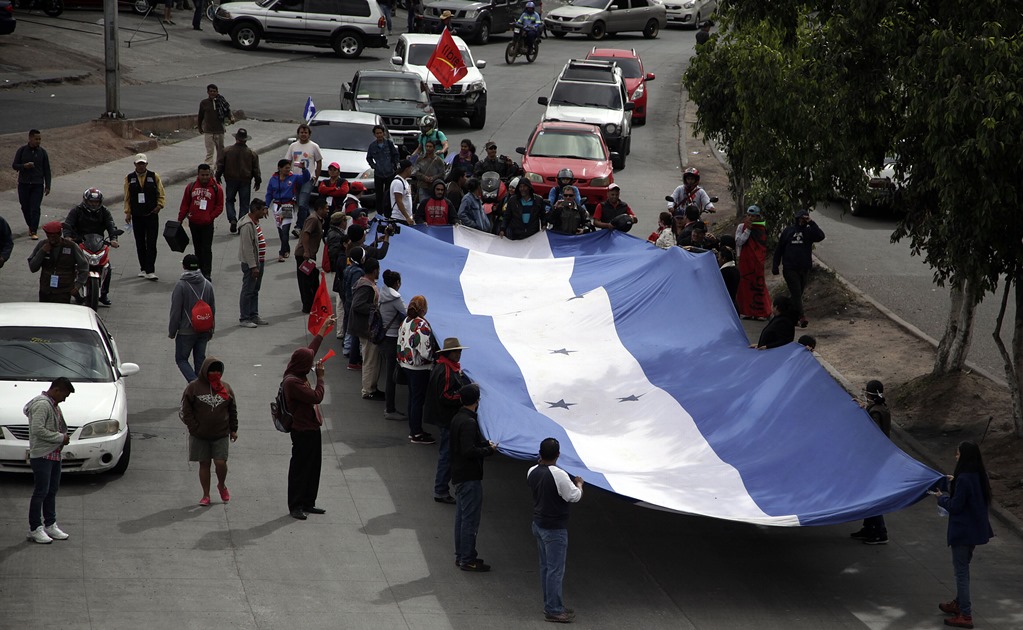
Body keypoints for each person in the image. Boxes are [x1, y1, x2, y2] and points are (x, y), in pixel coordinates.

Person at [934, 441, 994, 630]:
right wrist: (955, 481)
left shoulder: (964, 479)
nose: (956, 457)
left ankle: (965, 614)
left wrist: (941, 497)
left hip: (962, 531)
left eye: (958, 454)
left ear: (965, 457)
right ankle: (959, 603)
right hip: (976, 531)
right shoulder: (979, 475)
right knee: (964, 567)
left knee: (961, 573)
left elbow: (956, 506)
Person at [284, 315, 337, 520]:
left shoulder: (296, 370)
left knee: (314, 465)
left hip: (312, 427)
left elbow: (311, 350)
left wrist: (323, 329)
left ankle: (308, 501)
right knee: (300, 467)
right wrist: (321, 378)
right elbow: (317, 396)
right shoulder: (293, 383)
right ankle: (296, 504)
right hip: (302, 429)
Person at [527, 437, 584, 623]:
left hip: (538, 524)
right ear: (558, 455)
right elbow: (573, 497)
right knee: (555, 570)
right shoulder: (559, 475)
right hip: (554, 529)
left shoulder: (532, 471)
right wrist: (579, 484)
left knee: (546, 568)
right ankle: (553, 609)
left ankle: (552, 603)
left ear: (540, 453)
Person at [450, 383, 497, 571]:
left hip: (460, 475)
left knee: (461, 517)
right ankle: (468, 558)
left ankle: (461, 554)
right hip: (470, 476)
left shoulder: (458, 419)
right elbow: (469, 450)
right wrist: (489, 449)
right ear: (477, 401)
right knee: (470, 519)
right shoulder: (469, 422)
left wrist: (484, 443)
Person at [179, 357, 238, 506]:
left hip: (221, 434)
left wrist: (233, 429)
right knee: (204, 464)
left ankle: (221, 485)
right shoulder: (194, 388)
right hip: (200, 435)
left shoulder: (226, 388)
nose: (215, 373)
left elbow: (232, 409)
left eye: (218, 370)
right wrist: (194, 428)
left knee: (220, 462)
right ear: (205, 371)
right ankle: (206, 495)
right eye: (212, 370)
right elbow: (186, 410)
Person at [25, 377, 75, 544]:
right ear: (57, 390)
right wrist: (60, 437)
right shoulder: (42, 405)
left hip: (53, 454)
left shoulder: (53, 405)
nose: (65, 399)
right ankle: (35, 528)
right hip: (42, 456)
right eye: (65, 395)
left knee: (51, 491)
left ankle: (50, 524)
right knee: (41, 492)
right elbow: (37, 430)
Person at [425, 338, 471, 504]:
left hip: (445, 417)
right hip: (447, 418)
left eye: (459, 352)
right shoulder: (445, 370)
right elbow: (445, 395)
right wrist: (464, 396)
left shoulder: (445, 367)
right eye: (456, 352)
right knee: (447, 455)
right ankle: (441, 490)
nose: (459, 355)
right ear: (448, 353)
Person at [849, 380, 892, 545]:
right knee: (869, 494)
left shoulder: (875, 413)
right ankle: (868, 527)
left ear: (870, 395)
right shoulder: (881, 409)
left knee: (871, 496)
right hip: (879, 458)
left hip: (873, 460)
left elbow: (871, 433)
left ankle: (880, 532)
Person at [62, 187, 119, 306]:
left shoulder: (104, 211)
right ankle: (72, 291)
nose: (94, 204)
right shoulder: (76, 211)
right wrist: (68, 237)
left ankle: (104, 294)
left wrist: (113, 239)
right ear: (86, 201)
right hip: (80, 242)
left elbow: (111, 226)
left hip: (98, 243)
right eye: (91, 202)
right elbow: (68, 224)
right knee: (69, 264)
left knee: (107, 266)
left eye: (96, 202)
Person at [773, 209, 826, 328]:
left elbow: (821, 236)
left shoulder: (809, 232)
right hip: (789, 268)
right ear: (796, 219)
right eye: (800, 218)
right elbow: (779, 249)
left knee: (797, 295)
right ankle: (801, 317)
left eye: (804, 219)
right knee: (796, 293)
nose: (802, 221)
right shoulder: (788, 231)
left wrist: (811, 222)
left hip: (804, 268)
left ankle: (784, 311)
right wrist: (775, 265)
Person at [397, 295, 438, 444]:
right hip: (419, 367)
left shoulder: (406, 321)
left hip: (406, 364)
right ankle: (416, 433)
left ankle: (413, 429)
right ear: (423, 308)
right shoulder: (422, 325)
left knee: (412, 398)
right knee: (418, 400)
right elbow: (425, 351)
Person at [169, 254, 216, 383]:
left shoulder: (181, 285)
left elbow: (175, 311)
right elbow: (212, 309)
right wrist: (211, 329)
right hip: (204, 329)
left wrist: (172, 331)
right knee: (200, 360)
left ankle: (194, 383)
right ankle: (200, 391)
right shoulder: (207, 284)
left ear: (184, 266)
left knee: (181, 359)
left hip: (186, 331)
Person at [177, 164, 224, 281]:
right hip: (194, 223)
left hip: (207, 224)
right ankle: (198, 271)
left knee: (206, 249)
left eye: (207, 175)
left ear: (210, 174)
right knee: (197, 249)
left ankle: (207, 273)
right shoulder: (191, 187)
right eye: (202, 175)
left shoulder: (216, 188)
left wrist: (210, 217)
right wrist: (180, 219)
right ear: (198, 175)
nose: (205, 177)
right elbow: (185, 204)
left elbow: (219, 207)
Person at [123, 153, 165, 280]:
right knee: (140, 243)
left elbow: (161, 193)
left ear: (146, 164)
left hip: (151, 215)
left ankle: (150, 270)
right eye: (139, 163)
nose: (141, 166)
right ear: (135, 164)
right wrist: (128, 212)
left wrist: (159, 206)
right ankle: (143, 268)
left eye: (143, 163)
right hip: (137, 215)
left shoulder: (154, 176)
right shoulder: (129, 178)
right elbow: (127, 197)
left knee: (151, 243)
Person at [27, 221, 87, 304]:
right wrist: (42, 252)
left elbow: (84, 267)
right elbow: (33, 267)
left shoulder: (71, 246)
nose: (51, 239)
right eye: (49, 236)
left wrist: (77, 286)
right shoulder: (42, 245)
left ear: (59, 234)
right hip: (46, 290)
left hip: (64, 291)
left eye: (54, 236)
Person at [216, 127, 262, 234]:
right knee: (244, 203)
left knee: (229, 200)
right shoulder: (251, 153)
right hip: (245, 180)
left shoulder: (227, 151)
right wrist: (258, 181)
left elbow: (220, 165)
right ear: (246, 140)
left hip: (231, 179)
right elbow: (256, 169)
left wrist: (217, 177)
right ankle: (242, 224)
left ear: (236, 138)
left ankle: (232, 218)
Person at [350, 257, 384, 399]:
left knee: (371, 359)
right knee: (370, 360)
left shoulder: (363, 283)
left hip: (365, 328)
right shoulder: (366, 287)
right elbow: (357, 305)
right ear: (375, 270)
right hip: (366, 329)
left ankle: (371, 387)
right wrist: (374, 308)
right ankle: (368, 390)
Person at [265, 158, 311, 262]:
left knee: (285, 230)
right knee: (280, 231)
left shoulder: (294, 177)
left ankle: (281, 252)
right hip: (276, 207)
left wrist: (304, 169)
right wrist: (266, 206)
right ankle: (286, 247)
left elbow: (306, 179)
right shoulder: (273, 179)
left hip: (287, 206)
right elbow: (269, 194)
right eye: (286, 168)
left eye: (289, 167)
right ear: (279, 168)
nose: (288, 169)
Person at [12, 129, 51, 240]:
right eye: (36, 139)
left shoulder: (42, 153)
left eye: (39, 139)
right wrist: (24, 166)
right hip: (24, 184)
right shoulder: (22, 150)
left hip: (37, 184)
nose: (38, 141)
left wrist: (48, 185)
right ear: (30, 138)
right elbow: (14, 165)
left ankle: (34, 230)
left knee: (35, 208)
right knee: (25, 207)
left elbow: (47, 170)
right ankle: (30, 225)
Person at [379, 269, 407, 420]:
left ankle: (390, 407)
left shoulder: (383, 292)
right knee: (391, 376)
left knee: (389, 375)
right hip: (392, 338)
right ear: (397, 283)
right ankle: (390, 410)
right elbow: (408, 312)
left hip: (384, 337)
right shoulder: (395, 297)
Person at [285, 124, 324, 235]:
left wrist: (317, 175)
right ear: (298, 133)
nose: (303, 134)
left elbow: (319, 161)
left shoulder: (314, 146)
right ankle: (313, 222)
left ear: (309, 134)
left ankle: (299, 227)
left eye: (305, 132)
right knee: (302, 203)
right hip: (296, 178)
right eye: (301, 132)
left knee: (302, 202)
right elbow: (288, 161)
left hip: (308, 178)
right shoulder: (293, 146)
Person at [237, 199, 270, 328]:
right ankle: (244, 318)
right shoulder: (247, 225)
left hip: (259, 261)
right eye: (262, 209)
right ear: (256, 210)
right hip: (252, 264)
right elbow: (248, 248)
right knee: (248, 290)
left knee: (255, 290)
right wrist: (253, 267)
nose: (264, 212)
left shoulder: (255, 222)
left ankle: (253, 315)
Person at [736, 205, 772, 320]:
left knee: (758, 285)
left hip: (757, 262)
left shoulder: (762, 229)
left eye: (754, 216)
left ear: (758, 217)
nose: (751, 218)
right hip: (745, 261)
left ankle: (760, 312)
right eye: (749, 215)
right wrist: (748, 230)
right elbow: (739, 242)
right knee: (745, 285)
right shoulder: (741, 227)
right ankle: (746, 311)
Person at [295, 197, 328, 314]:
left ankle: (313, 304)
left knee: (313, 279)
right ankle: (307, 306)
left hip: (310, 255)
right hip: (305, 256)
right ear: (319, 209)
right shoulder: (313, 219)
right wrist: (306, 251)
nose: (327, 211)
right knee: (306, 282)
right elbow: (306, 234)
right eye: (325, 209)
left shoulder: (319, 219)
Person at [367, 125, 400, 208]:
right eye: (377, 133)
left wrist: (393, 165)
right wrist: (374, 166)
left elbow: (396, 155)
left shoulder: (389, 144)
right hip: (378, 173)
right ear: (374, 135)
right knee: (379, 195)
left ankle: (388, 211)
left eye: (380, 133)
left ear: (383, 133)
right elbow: (369, 158)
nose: (379, 135)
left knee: (388, 193)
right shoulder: (372, 146)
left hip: (389, 173)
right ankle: (379, 212)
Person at [198, 84, 231, 166]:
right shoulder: (204, 103)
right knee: (209, 151)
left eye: (214, 91)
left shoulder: (221, 102)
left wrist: (231, 118)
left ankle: (219, 167)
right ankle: (209, 168)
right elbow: (200, 116)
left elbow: (228, 111)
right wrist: (199, 127)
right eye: (211, 91)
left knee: (220, 151)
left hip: (219, 131)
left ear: (217, 92)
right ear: (208, 92)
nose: (212, 93)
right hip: (208, 131)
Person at [413, 139, 447, 204]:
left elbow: (442, 174)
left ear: (434, 148)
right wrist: (424, 177)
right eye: (427, 146)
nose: (428, 148)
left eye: (430, 146)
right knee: (423, 205)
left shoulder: (438, 160)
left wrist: (433, 178)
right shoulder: (420, 159)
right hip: (422, 186)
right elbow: (415, 172)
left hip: (434, 188)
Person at [390, 159, 415, 225]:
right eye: (410, 169)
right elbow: (399, 201)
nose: (411, 171)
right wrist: (407, 217)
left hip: (405, 218)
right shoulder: (398, 182)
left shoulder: (405, 181)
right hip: (399, 218)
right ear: (407, 169)